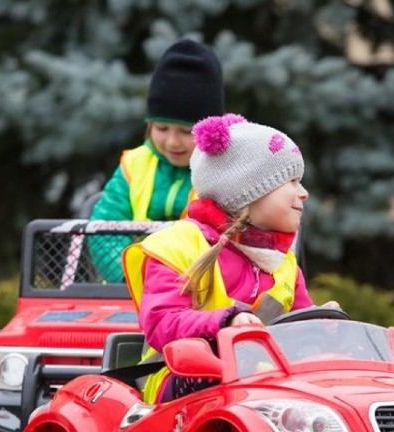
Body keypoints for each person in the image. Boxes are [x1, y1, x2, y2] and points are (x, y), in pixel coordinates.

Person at [122, 114, 334, 403]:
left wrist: (323, 326)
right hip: (180, 380)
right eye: (292, 181)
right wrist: (227, 321)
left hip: (264, 382)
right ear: (247, 192)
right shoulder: (178, 246)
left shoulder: (283, 264)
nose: (304, 193)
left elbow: (298, 338)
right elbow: (162, 325)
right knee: (222, 383)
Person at [89, 39, 225, 282]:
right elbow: (104, 231)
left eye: (186, 132)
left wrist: (181, 283)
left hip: (197, 291)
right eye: (162, 128)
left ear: (209, 129)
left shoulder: (224, 173)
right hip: (131, 289)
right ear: (149, 125)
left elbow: (227, 241)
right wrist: (134, 278)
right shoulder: (134, 165)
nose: (172, 142)